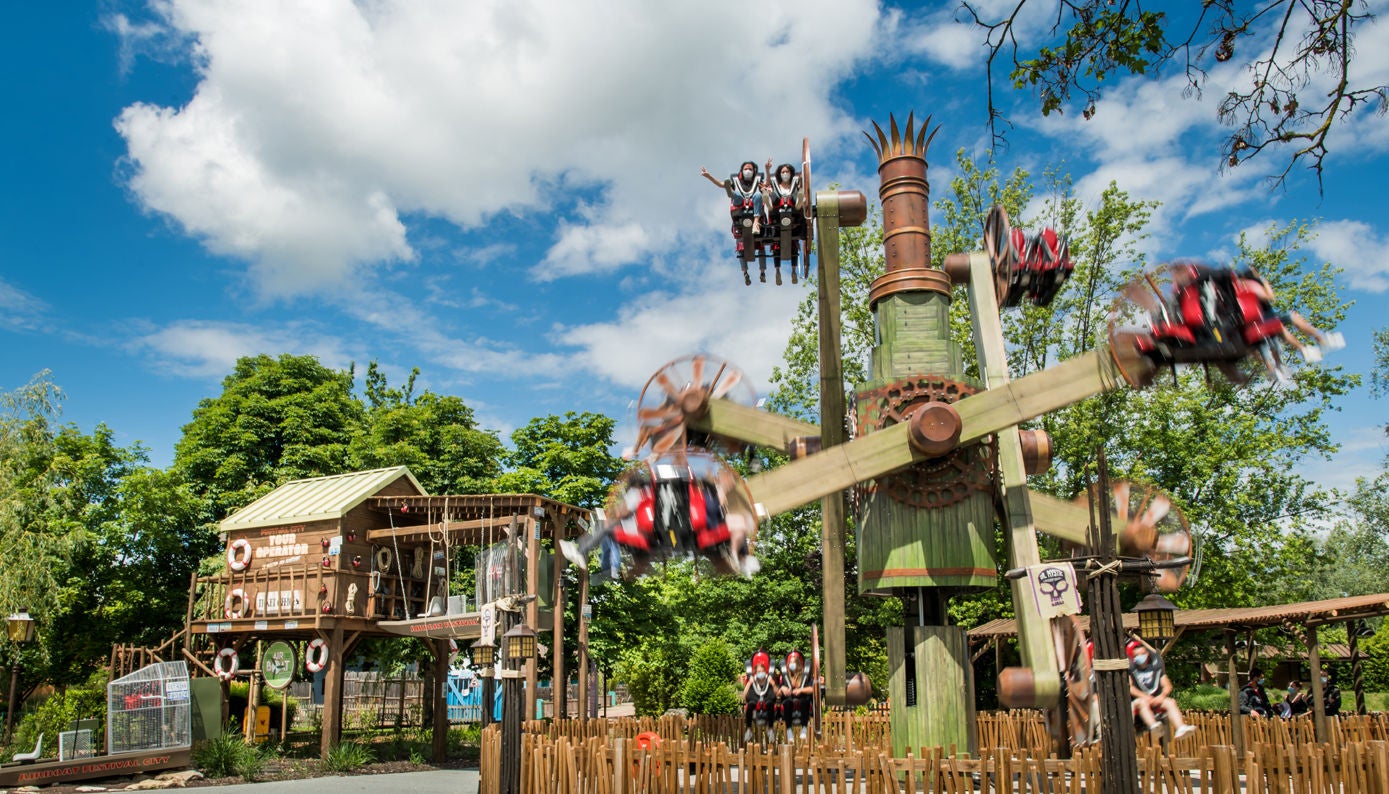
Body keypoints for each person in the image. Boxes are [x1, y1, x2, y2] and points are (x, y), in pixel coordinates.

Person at [1127, 640, 1196, 739]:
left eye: (1142, 653)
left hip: (1156, 699)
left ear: (1146, 653)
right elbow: (1130, 688)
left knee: (1170, 702)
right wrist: (1145, 697)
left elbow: (1167, 685)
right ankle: (1153, 726)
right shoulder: (1130, 668)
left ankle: (1180, 727)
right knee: (1142, 703)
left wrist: (1161, 696)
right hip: (1138, 701)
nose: (1140, 657)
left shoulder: (1156, 666)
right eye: (1137, 655)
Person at [700, 162, 764, 236]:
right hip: (739, 204)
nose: (748, 171)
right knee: (738, 195)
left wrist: (766, 189)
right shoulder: (736, 180)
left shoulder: (758, 180)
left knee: (758, 195)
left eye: (750, 169)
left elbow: (767, 184)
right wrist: (709, 176)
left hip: (755, 204)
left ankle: (756, 223)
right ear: (742, 171)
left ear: (754, 171)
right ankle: (730, 192)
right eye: (746, 169)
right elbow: (720, 184)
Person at [777, 650, 815, 741]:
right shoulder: (785, 677)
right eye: (790, 663)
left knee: (804, 702)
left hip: (802, 698)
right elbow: (777, 693)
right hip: (789, 700)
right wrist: (782, 689)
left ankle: (804, 728)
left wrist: (801, 690)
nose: (791, 664)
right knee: (787, 703)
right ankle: (789, 730)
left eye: (793, 663)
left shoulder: (805, 676)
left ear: (798, 664)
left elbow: (812, 689)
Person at [743, 650, 778, 743]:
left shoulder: (769, 680)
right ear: (755, 672)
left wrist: (773, 684)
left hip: (767, 700)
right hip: (755, 700)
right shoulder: (752, 680)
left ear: (765, 671)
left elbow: (777, 694)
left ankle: (770, 729)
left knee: (770, 704)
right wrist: (749, 683)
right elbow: (744, 695)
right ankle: (749, 729)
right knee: (750, 705)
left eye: (762, 671)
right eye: (758, 671)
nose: (760, 673)